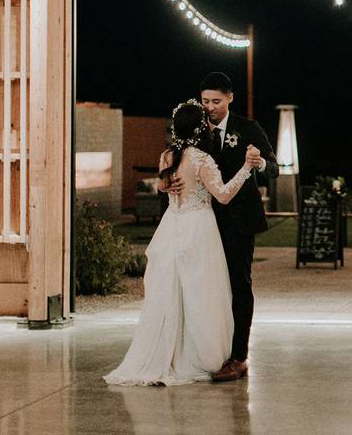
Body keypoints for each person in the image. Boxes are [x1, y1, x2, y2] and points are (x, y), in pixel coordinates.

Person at [104, 100, 258, 386]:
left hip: (172, 227)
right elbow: (223, 195)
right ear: (202, 129)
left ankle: (168, 353)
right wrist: (247, 168)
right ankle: (199, 355)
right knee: (200, 293)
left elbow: (164, 185)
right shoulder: (201, 160)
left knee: (171, 292)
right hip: (199, 229)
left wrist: (165, 186)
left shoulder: (166, 157)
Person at [165, 72, 278, 382]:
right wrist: (170, 182)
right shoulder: (193, 130)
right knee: (205, 287)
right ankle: (206, 351)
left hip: (239, 221)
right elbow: (174, 165)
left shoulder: (248, 128)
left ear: (230, 98)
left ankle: (239, 356)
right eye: (205, 101)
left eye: (216, 101)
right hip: (202, 223)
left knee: (239, 286)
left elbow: (275, 168)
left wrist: (260, 164)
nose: (210, 107)